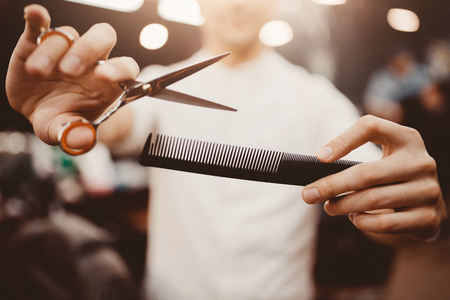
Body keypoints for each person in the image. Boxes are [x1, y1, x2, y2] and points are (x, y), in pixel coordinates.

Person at [5, 3, 446, 300]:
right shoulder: (155, 82)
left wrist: (412, 211)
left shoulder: (317, 99)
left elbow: (384, 211)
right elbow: (119, 123)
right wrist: (84, 113)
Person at [363, 47, 429, 123]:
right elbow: (370, 105)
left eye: (406, 60)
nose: (402, 63)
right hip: (393, 123)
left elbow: (436, 98)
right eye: (398, 60)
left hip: (421, 120)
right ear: (391, 61)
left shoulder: (422, 73)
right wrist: (388, 109)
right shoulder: (380, 79)